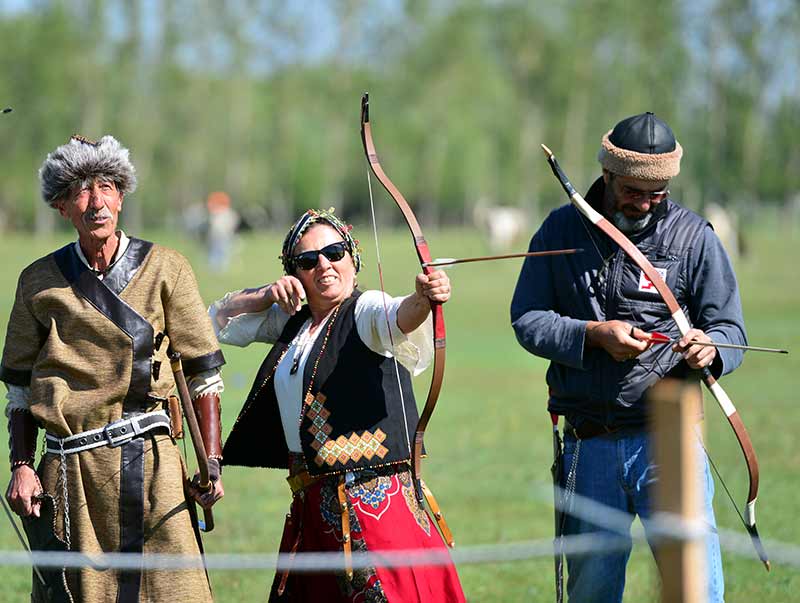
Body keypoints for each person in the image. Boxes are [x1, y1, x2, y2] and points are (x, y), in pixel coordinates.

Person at [510, 113, 746, 602]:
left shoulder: (694, 236)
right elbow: (528, 319)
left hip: (671, 444)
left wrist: (711, 348)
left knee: (697, 590)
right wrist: (592, 334)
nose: (644, 203)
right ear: (608, 174)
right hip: (588, 441)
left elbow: (731, 329)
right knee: (592, 592)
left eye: (656, 193)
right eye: (633, 190)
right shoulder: (559, 230)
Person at [1, 135, 226, 602]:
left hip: (151, 464)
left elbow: (204, 375)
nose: (96, 201)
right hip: (69, 469)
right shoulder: (37, 281)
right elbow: (20, 389)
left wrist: (211, 463)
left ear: (122, 196)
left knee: (172, 592)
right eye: (81, 190)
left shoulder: (168, 268)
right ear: (62, 206)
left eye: (106, 186)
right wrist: (22, 465)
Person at [210, 208, 465, 602]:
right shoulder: (292, 323)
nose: (324, 265)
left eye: (335, 252)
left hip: (375, 512)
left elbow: (396, 317)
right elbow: (214, 320)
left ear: (353, 258)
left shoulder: (363, 311)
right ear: (295, 273)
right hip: (312, 510)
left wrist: (422, 297)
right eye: (308, 260)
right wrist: (264, 295)